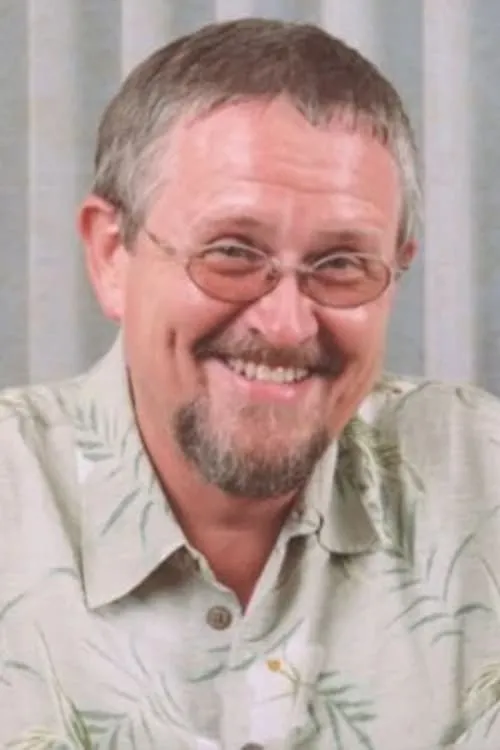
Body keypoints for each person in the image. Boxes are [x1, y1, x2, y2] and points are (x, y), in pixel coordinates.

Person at [1, 16, 499, 750]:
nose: (287, 324)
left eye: (341, 264)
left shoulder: (483, 485)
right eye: (232, 252)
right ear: (112, 255)